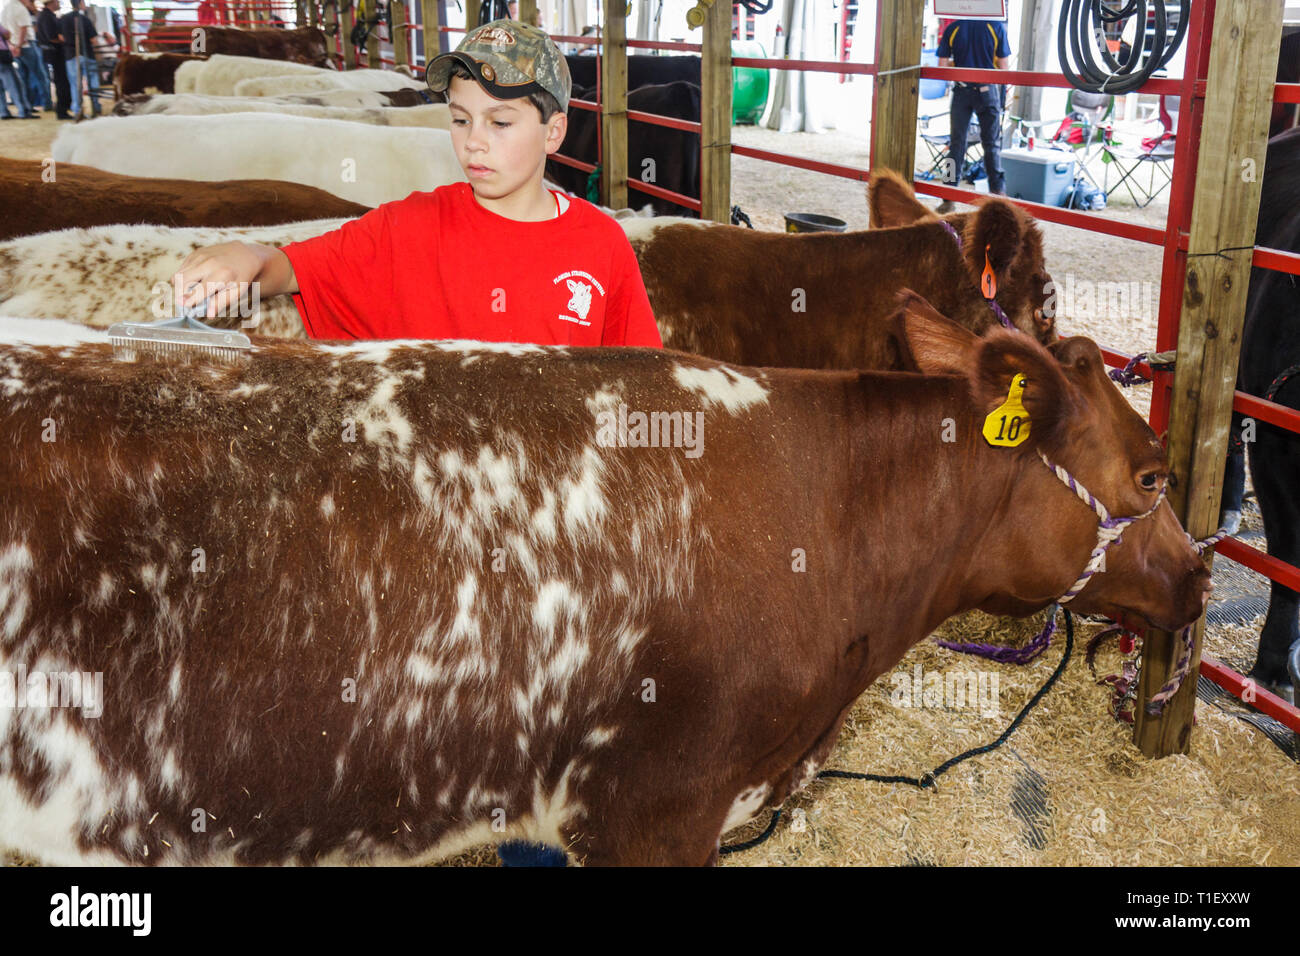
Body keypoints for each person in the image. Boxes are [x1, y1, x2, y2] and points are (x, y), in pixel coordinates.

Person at [172, 25, 661, 868]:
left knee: (548, 740)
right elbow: (294, 267)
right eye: (460, 119)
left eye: (500, 122)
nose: (474, 142)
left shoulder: (600, 247)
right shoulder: (413, 229)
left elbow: (643, 393)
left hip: (555, 545)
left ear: (554, 132)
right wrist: (245, 257)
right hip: (439, 546)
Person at [937, 17, 1011, 200]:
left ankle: (948, 191)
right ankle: (997, 192)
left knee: (956, 143)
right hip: (987, 89)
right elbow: (1003, 67)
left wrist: (961, 65)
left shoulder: (953, 27)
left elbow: (942, 67)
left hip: (961, 90)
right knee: (991, 143)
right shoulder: (995, 27)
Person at [60, 0, 109, 118]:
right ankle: (95, 105)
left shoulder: (63, 19)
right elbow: (93, 39)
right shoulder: (85, 20)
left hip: (71, 55)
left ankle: (77, 109)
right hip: (87, 54)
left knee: (75, 84)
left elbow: (60, 37)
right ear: (79, 3)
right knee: (93, 81)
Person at [3, 0, 50, 112]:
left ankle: (28, 105)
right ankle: (47, 103)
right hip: (26, 45)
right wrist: (19, 45)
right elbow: (23, 29)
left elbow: (5, 31)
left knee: (23, 78)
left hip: (14, 46)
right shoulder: (20, 9)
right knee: (40, 75)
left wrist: (12, 45)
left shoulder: (6, 8)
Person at [35, 0, 69, 119]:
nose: (59, 3)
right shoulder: (47, 17)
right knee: (61, 82)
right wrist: (66, 41)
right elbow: (52, 37)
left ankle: (63, 108)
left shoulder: (45, 16)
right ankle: (62, 110)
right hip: (55, 54)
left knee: (61, 82)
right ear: (52, 2)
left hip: (53, 53)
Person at [0, 20, 36, 117]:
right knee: (15, 85)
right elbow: (6, 34)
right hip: (2, 58)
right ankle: (24, 111)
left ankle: (3, 112)